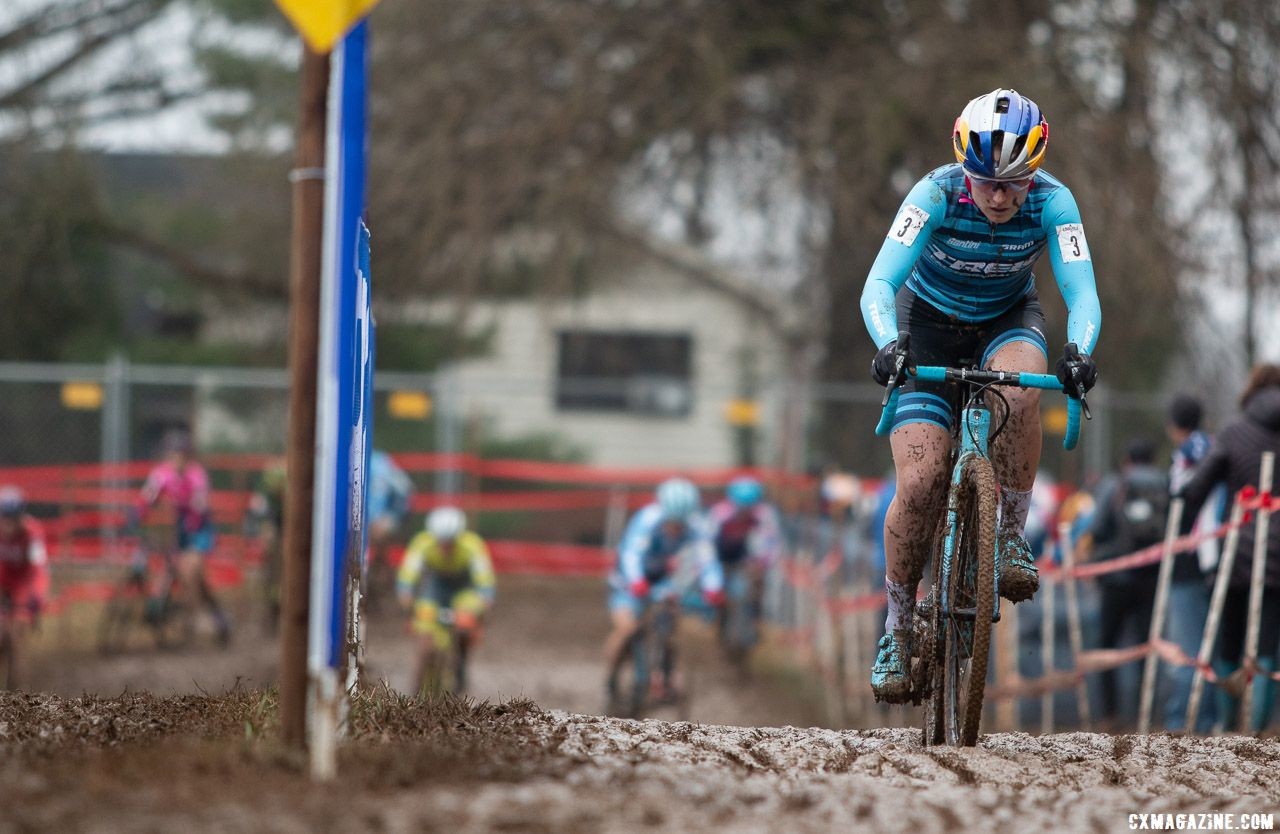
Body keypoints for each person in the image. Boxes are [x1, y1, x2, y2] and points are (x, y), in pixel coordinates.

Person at [859, 88, 1102, 702]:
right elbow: (879, 283)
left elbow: (1082, 291)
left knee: (1023, 392)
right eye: (985, 181)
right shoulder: (935, 193)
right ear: (964, 167)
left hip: (1005, 320)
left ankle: (1008, 536)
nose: (998, 196)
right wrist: (890, 344)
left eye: (1013, 182)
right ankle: (895, 624)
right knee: (920, 483)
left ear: (1035, 171)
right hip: (927, 326)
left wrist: (1079, 352)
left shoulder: (1054, 201)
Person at [1176, 365, 1280, 732]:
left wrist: (1183, 504)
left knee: (1230, 642)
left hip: (1239, 551)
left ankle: (1229, 723)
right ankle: (1258, 727)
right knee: (1268, 643)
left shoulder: (1235, 432)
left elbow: (1198, 485)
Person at [603, 477, 723, 705]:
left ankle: (666, 678)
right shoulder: (647, 520)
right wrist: (636, 580)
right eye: (671, 524)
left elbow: (707, 560)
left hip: (661, 584)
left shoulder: (696, 526)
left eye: (680, 525)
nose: (676, 529)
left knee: (668, 630)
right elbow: (631, 554)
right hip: (626, 583)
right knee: (627, 627)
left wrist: (713, 587)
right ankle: (609, 679)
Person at [1088, 437, 1169, 728]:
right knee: (1146, 647)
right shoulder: (1164, 483)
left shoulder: (1114, 484)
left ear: (1127, 459)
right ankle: (1144, 714)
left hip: (1115, 579)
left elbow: (1097, 528)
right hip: (1152, 577)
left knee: (1107, 645)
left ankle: (1109, 715)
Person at [133, 429, 230, 645]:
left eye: (180, 455)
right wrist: (137, 514)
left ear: (187, 457)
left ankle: (194, 617)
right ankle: (214, 616)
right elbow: (148, 496)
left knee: (189, 570)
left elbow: (200, 504)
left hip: (200, 531)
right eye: (171, 455)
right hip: (180, 528)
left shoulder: (197, 476)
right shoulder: (162, 474)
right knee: (173, 568)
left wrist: (192, 514)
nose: (175, 459)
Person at [1162, 394, 1221, 732]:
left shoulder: (1189, 453)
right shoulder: (1212, 445)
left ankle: (1184, 721)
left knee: (1186, 649)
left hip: (1189, 557)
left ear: (1174, 424)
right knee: (1206, 643)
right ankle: (1207, 718)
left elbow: (1183, 499)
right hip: (1211, 555)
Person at [396, 506, 495, 694]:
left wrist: (484, 605)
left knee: (465, 623)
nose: (445, 547)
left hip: (464, 589)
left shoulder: (472, 546)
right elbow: (408, 574)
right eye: (441, 542)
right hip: (435, 589)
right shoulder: (422, 544)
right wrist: (406, 597)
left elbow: (484, 580)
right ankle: (417, 687)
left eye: (450, 542)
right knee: (425, 631)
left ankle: (461, 665)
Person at [707, 476, 783, 656]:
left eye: (749, 506)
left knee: (752, 589)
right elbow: (706, 543)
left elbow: (772, 542)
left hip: (747, 561)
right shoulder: (719, 514)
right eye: (741, 506)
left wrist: (762, 564)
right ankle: (720, 622)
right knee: (721, 595)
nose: (744, 510)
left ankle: (754, 623)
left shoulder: (764, 515)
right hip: (721, 560)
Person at [0, 487, 49, 686]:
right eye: (5, 518)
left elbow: (39, 569)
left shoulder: (32, 533)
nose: (8, 524)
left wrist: (36, 596)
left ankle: (15, 692)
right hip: (2, 584)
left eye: (13, 518)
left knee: (17, 633)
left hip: (24, 587)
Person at [365, 450, 414, 608]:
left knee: (379, 544)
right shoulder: (378, 463)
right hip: (364, 520)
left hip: (379, 520)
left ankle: (377, 584)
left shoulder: (381, 464)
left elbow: (404, 490)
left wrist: (393, 517)